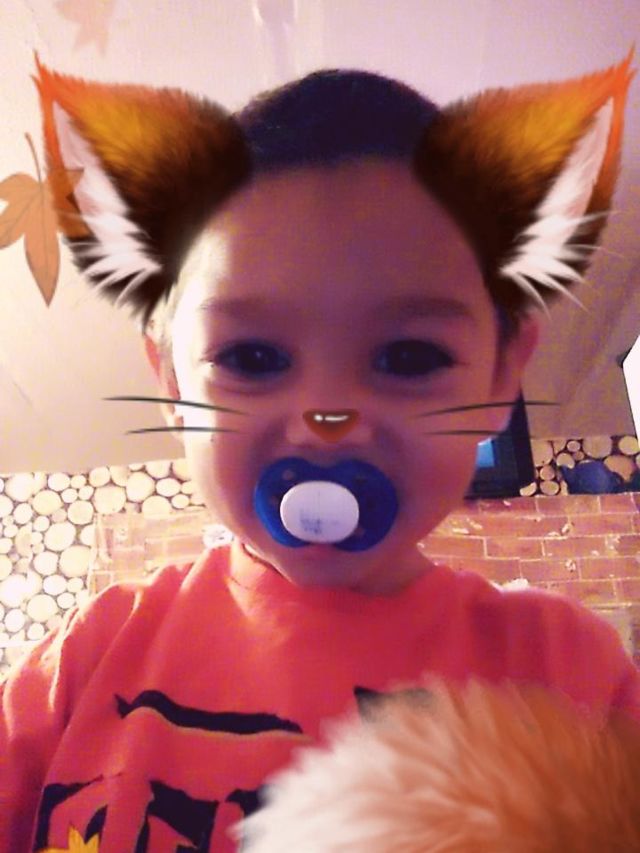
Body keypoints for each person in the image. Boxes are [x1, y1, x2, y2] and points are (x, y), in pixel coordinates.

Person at [1, 53, 637, 852]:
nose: (325, 420)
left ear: (501, 375)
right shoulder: (86, 657)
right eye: (252, 357)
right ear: (170, 380)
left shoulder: (571, 672)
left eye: (409, 356)